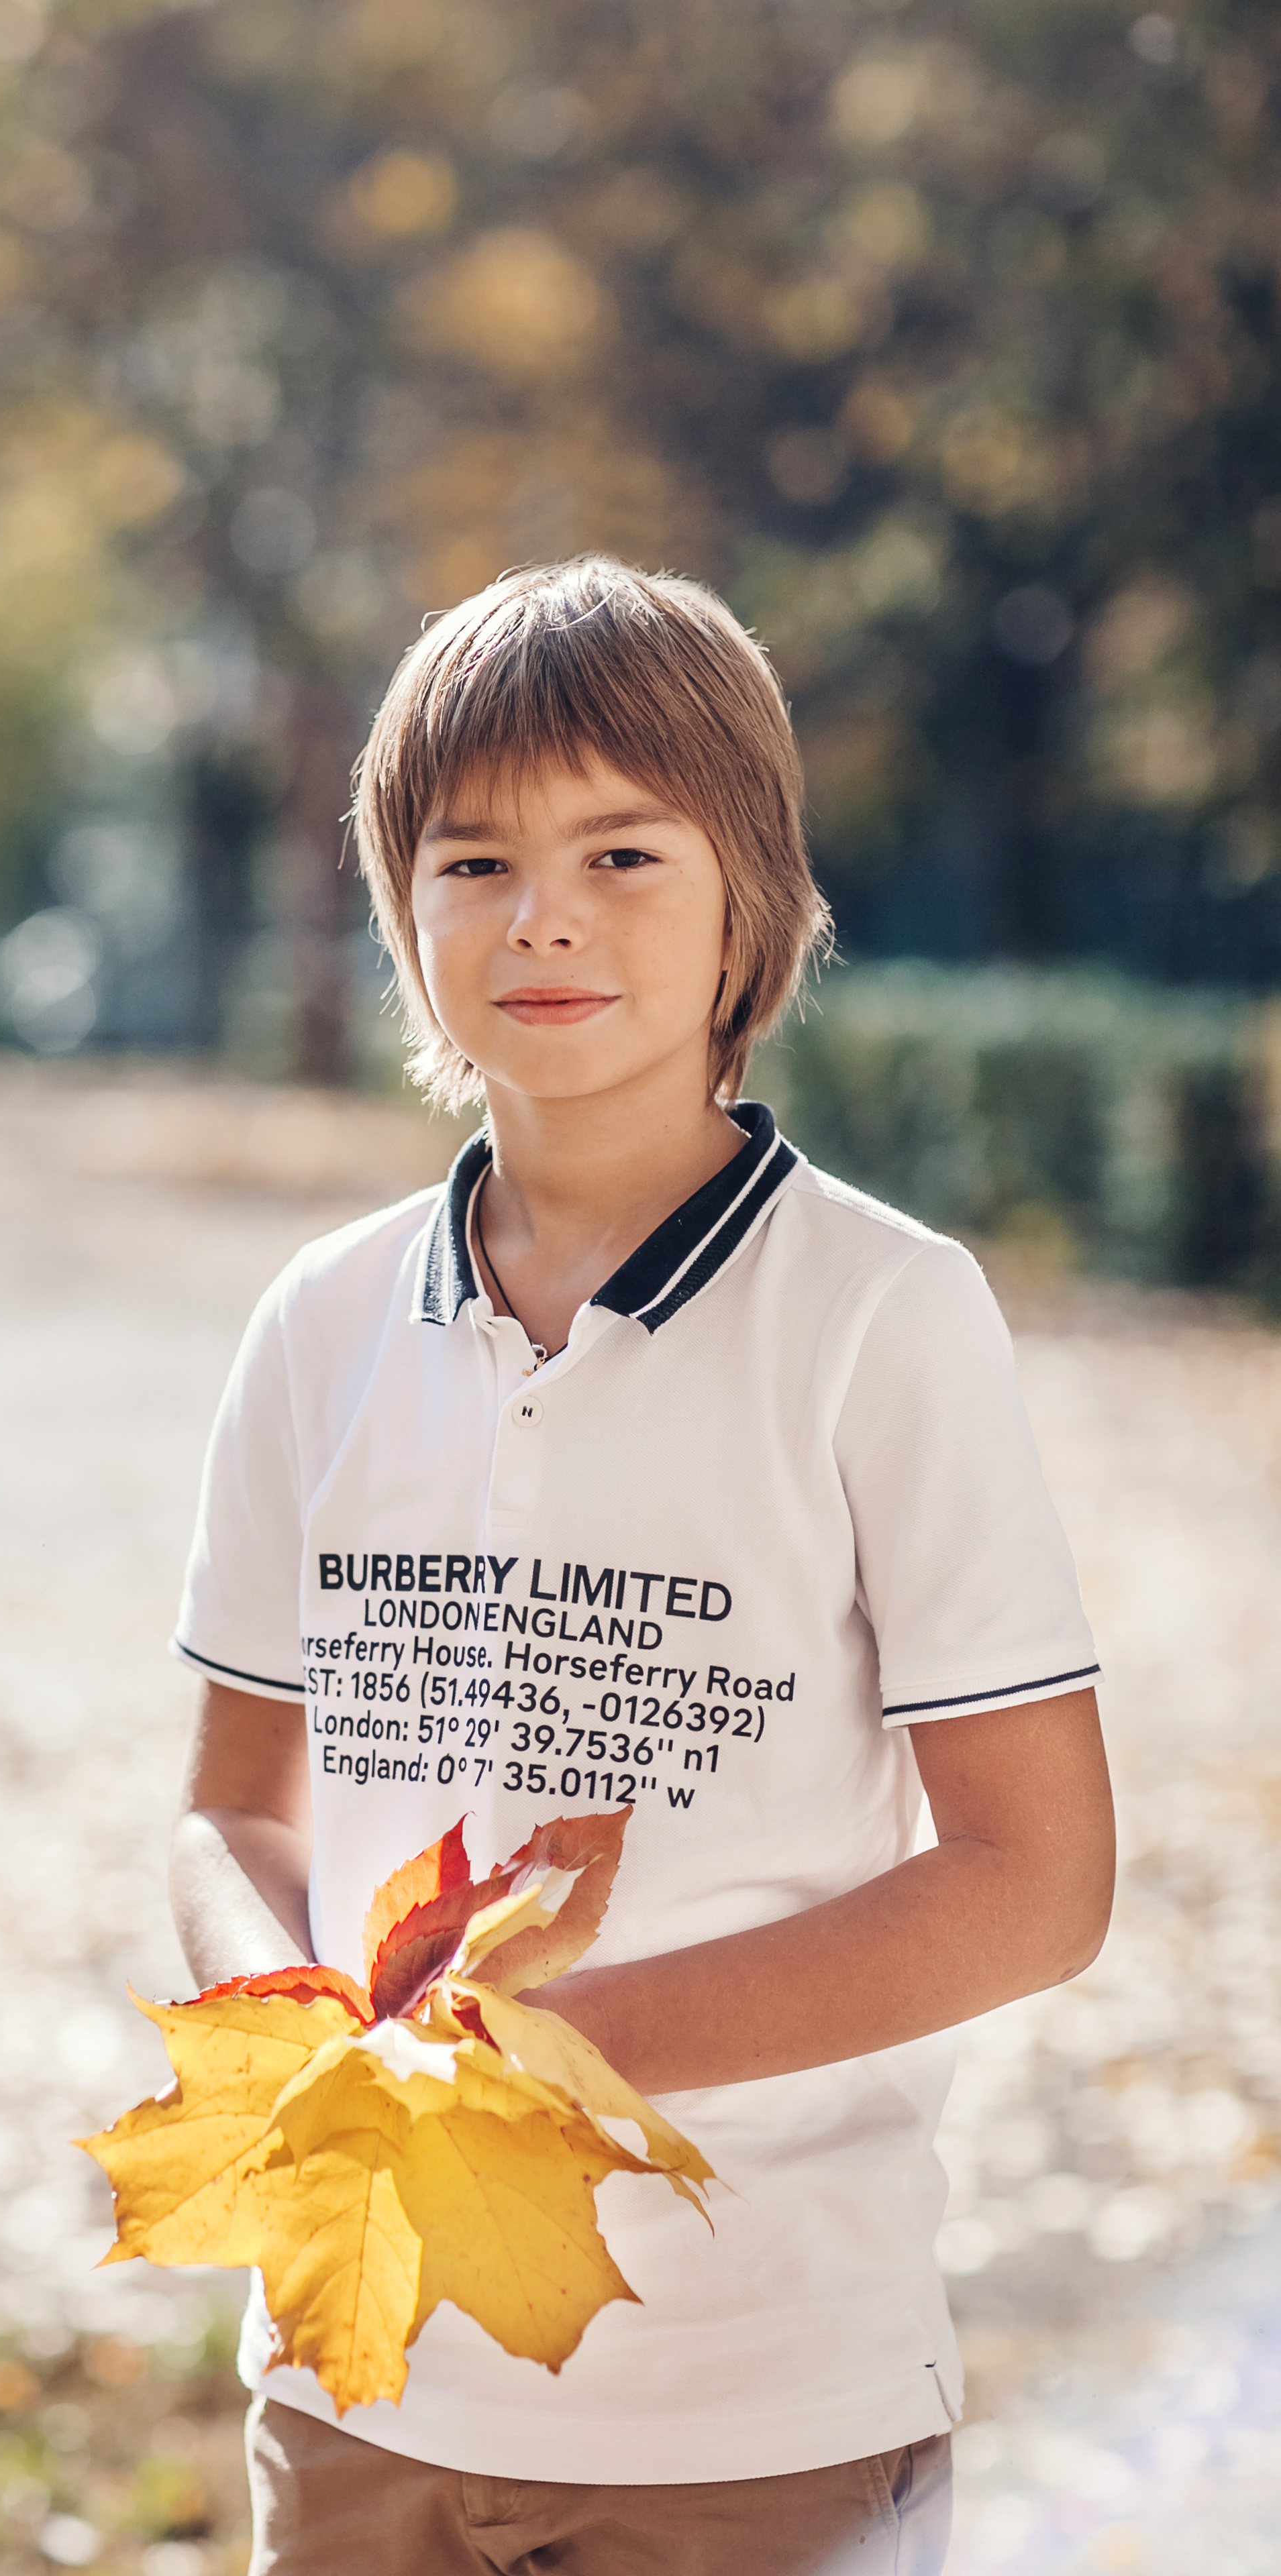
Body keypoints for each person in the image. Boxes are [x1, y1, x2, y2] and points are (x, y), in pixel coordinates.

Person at [167, 557, 1114, 2575]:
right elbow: (229, 1807)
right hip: (357, 2388)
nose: (545, 915)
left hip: (759, 2406)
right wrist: (313, 2032)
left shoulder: (884, 1314)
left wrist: (555, 2057)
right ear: (398, 910)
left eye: (621, 848)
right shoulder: (319, 1325)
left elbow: (1037, 1885)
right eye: (472, 860)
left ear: (747, 904)